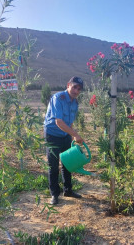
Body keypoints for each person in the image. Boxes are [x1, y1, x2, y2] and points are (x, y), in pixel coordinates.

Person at [44, 76, 84, 205]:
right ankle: (54, 194)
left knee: (67, 163)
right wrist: (76, 135)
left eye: (79, 89)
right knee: (53, 166)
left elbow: (70, 122)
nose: (76, 91)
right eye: (74, 87)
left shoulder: (75, 103)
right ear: (68, 85)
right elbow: (59, 122)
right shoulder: (58, 98)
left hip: (65, 135)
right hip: (52, 135)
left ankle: (68, 190)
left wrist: (72, 136)